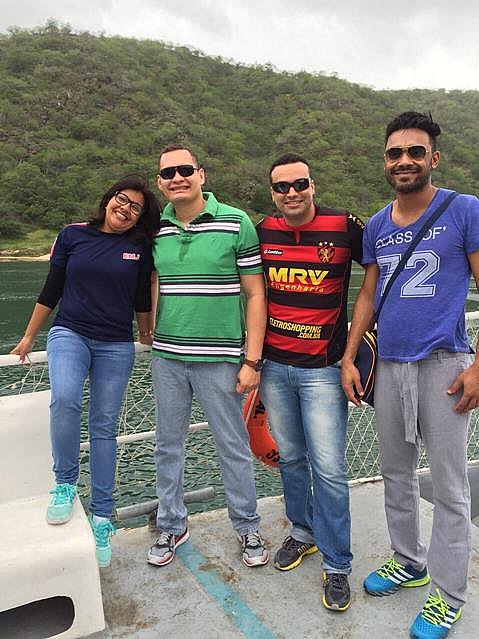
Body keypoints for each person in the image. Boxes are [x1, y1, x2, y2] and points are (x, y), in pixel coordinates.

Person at [341, 111, 479, 639]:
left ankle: (448, 594)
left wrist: (478, 366)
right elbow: (368, 294)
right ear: (385, 161)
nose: (405, 160)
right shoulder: (378, 224)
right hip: (390, 365)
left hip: (444, 364)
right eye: (395, 153)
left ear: (433, 158)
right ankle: (408, 560)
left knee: (449, 487)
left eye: (415, 152)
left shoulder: (463, 210)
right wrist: (349, 357)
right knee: (396, 473)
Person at [11, 176, 159, 567]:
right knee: (64, 400)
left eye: (135, 208)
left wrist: (146, 333)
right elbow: (52, 288)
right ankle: (64, 484)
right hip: (69, 333)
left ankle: (103, 517)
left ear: (140, 218)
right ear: (108, 199)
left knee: (104, 425)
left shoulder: (139, 249)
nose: (125, 209)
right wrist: (29, 336)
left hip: (115, 343)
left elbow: (142, 298)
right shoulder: (73, 235)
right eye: (121, 200)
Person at [147, 144, 269, 568]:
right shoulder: (155, 229)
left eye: (185, 170)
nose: (177, 178)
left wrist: (252, 360)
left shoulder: (236, 222)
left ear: (201, 174)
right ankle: (171, 524)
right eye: (168, 173)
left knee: (232, 445)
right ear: (160, 182)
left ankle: (247, 525)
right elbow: (147, 279)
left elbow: (255, 294)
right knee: (168, 445)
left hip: (221, 359)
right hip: (167, 357)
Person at [256, 153, 365, 611]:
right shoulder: (263, 231)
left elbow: (381, 272)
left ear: (313, 185)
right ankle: (302, 532)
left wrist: (355, 351)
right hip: (274, 368)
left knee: (330, 470)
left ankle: (337, 564)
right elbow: (246, 289)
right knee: (291, 459)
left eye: (299, 183)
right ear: (273, 193)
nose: (292, 193)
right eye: (282, 187)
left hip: (324, 370)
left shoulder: (345, 226)